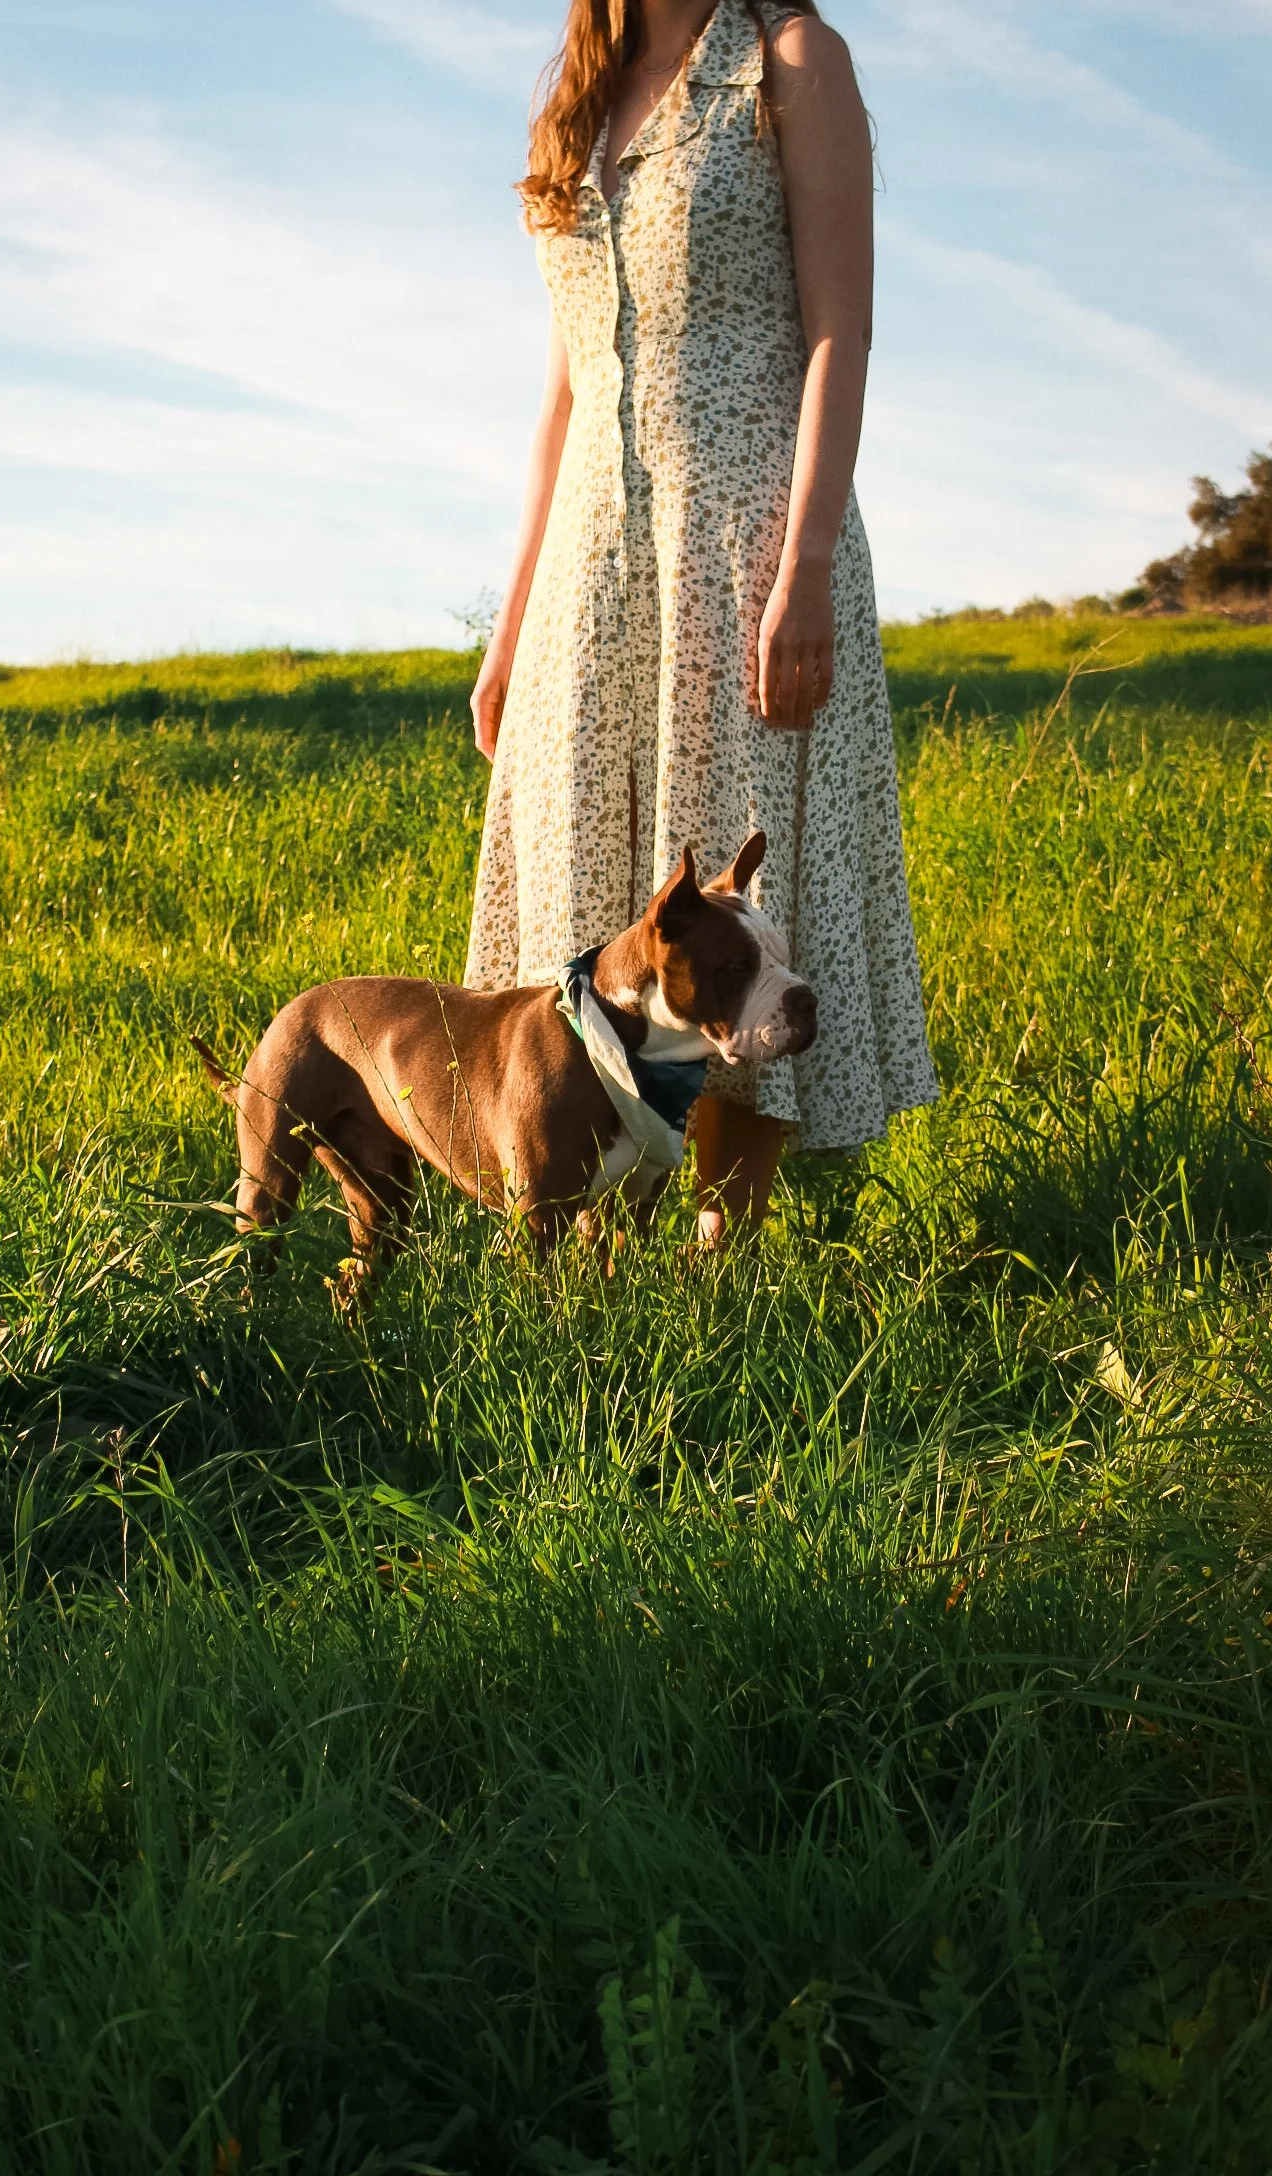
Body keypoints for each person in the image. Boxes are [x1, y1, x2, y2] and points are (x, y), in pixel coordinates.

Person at [463, 0, 937, 1248]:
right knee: (591, 899)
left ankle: (716, 1277)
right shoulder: (581, 94)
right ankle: (599, 1241)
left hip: (744, 544)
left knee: (741, 895)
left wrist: (810, 562)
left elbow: (843, 327)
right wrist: (512, 623)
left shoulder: (788, 62)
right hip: (592, 564)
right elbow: (563, 390)